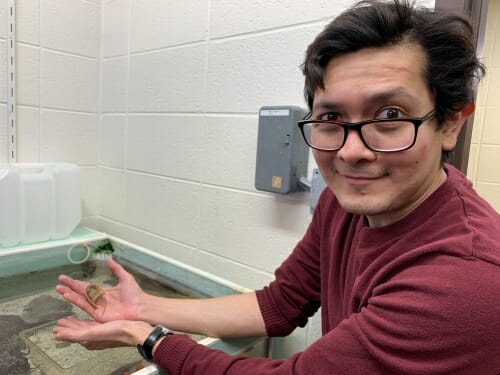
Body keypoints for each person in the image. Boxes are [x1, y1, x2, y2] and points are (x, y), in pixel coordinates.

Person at [53, 0, 500, 373]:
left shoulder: (463, 280)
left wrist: (148, 338)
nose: (351, 152)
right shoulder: (342, 205)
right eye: (330, 119)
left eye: (388, 117)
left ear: (450, 123)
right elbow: (279, 304)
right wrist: (145, 306)